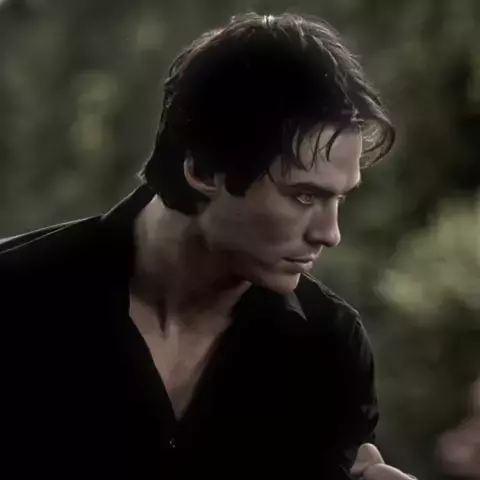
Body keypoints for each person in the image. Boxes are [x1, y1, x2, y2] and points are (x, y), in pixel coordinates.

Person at [0, 12, 395, 478]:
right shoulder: (16, 300)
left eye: (340, 198)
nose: (330, 233)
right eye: (305, 196)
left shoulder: (329, 348)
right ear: (204, 169)